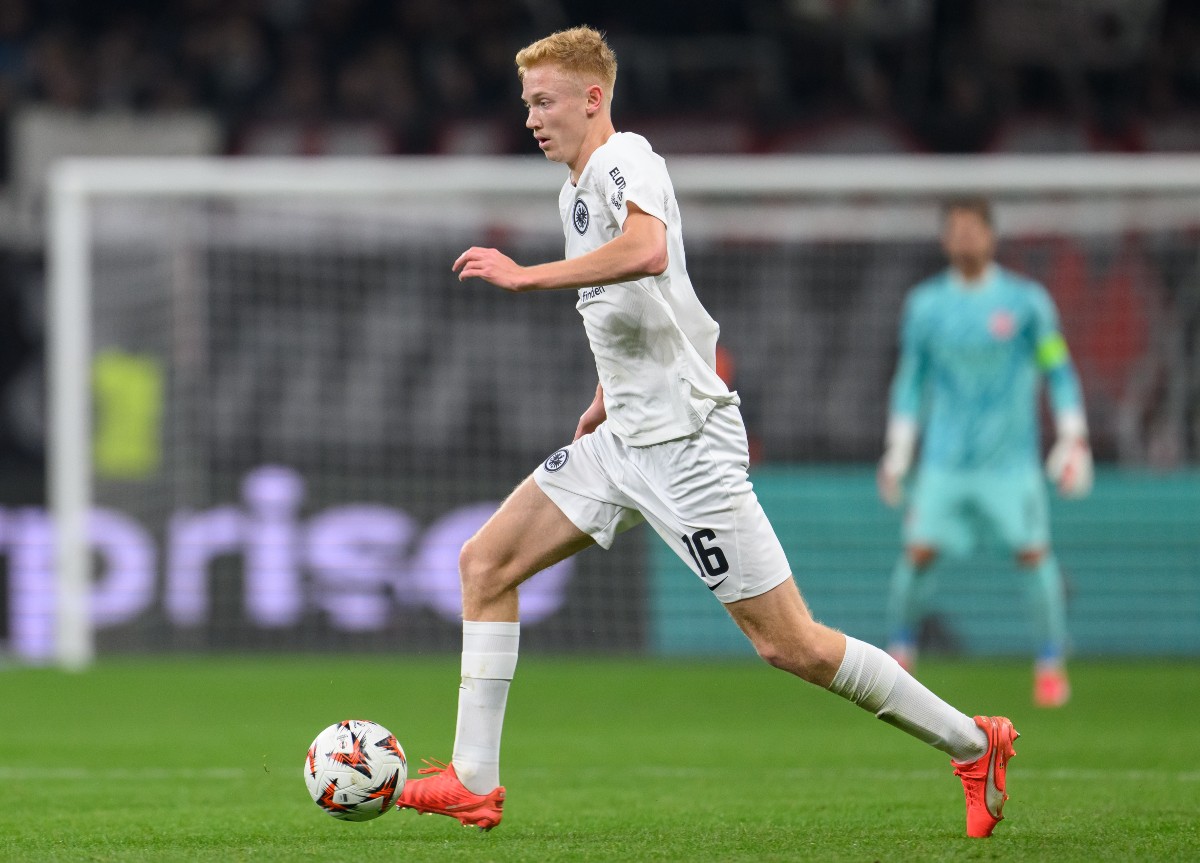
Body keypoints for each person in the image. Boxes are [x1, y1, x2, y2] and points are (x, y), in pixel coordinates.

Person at [396, 26, 1017, 839]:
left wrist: (527, 272)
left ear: (593, 98)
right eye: (526, 104)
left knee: (791, 645)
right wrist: (602, 395)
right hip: (623, 437)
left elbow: (649, 253)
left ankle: (975, 741)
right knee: (485, 562)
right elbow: (635, 307)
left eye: (544, 101)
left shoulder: (630, 159)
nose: (531, 119)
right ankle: (474, 778)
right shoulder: (574, 188)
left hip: (687, 445)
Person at [877, 197, 1093, 708]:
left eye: (974, 228)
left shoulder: (1026, 303)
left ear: (992, 236)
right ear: (944, 240)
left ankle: (1049, 662)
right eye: (956, 229)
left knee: (1034, 555)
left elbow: (1056, 367)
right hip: (945, 462)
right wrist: (898, 448)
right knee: (918, 556)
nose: (965, 237)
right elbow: (912, 379)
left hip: (1010, 463)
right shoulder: (926, 306)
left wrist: (1073, 435)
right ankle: (901, 656)